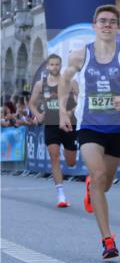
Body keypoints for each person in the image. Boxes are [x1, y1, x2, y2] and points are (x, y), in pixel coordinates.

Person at [59, 4, 120, 260]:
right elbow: (65, 80)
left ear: (117, 27)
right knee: (99, 173)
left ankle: (93, 186)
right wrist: (64, 112)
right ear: (94, 26)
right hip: (89, 125)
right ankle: (107, 240)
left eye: (112, 21)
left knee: (105, 184)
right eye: (103, 21)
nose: (107, 25)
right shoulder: (81, 55)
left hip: (117, 127)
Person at [29, 54, 79, 207]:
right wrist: (37, 114)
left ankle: (67, 152)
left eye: (57, 64)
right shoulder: (40, 84)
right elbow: (32, 103)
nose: (55, 67)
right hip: (51, 124)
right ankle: (61, 195)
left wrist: (71, 112)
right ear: (47, 66)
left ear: (61, 65)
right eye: (52, 65)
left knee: (71, 162)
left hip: (69, 124)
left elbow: (80, 99)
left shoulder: (70, 82)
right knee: (54, 157)